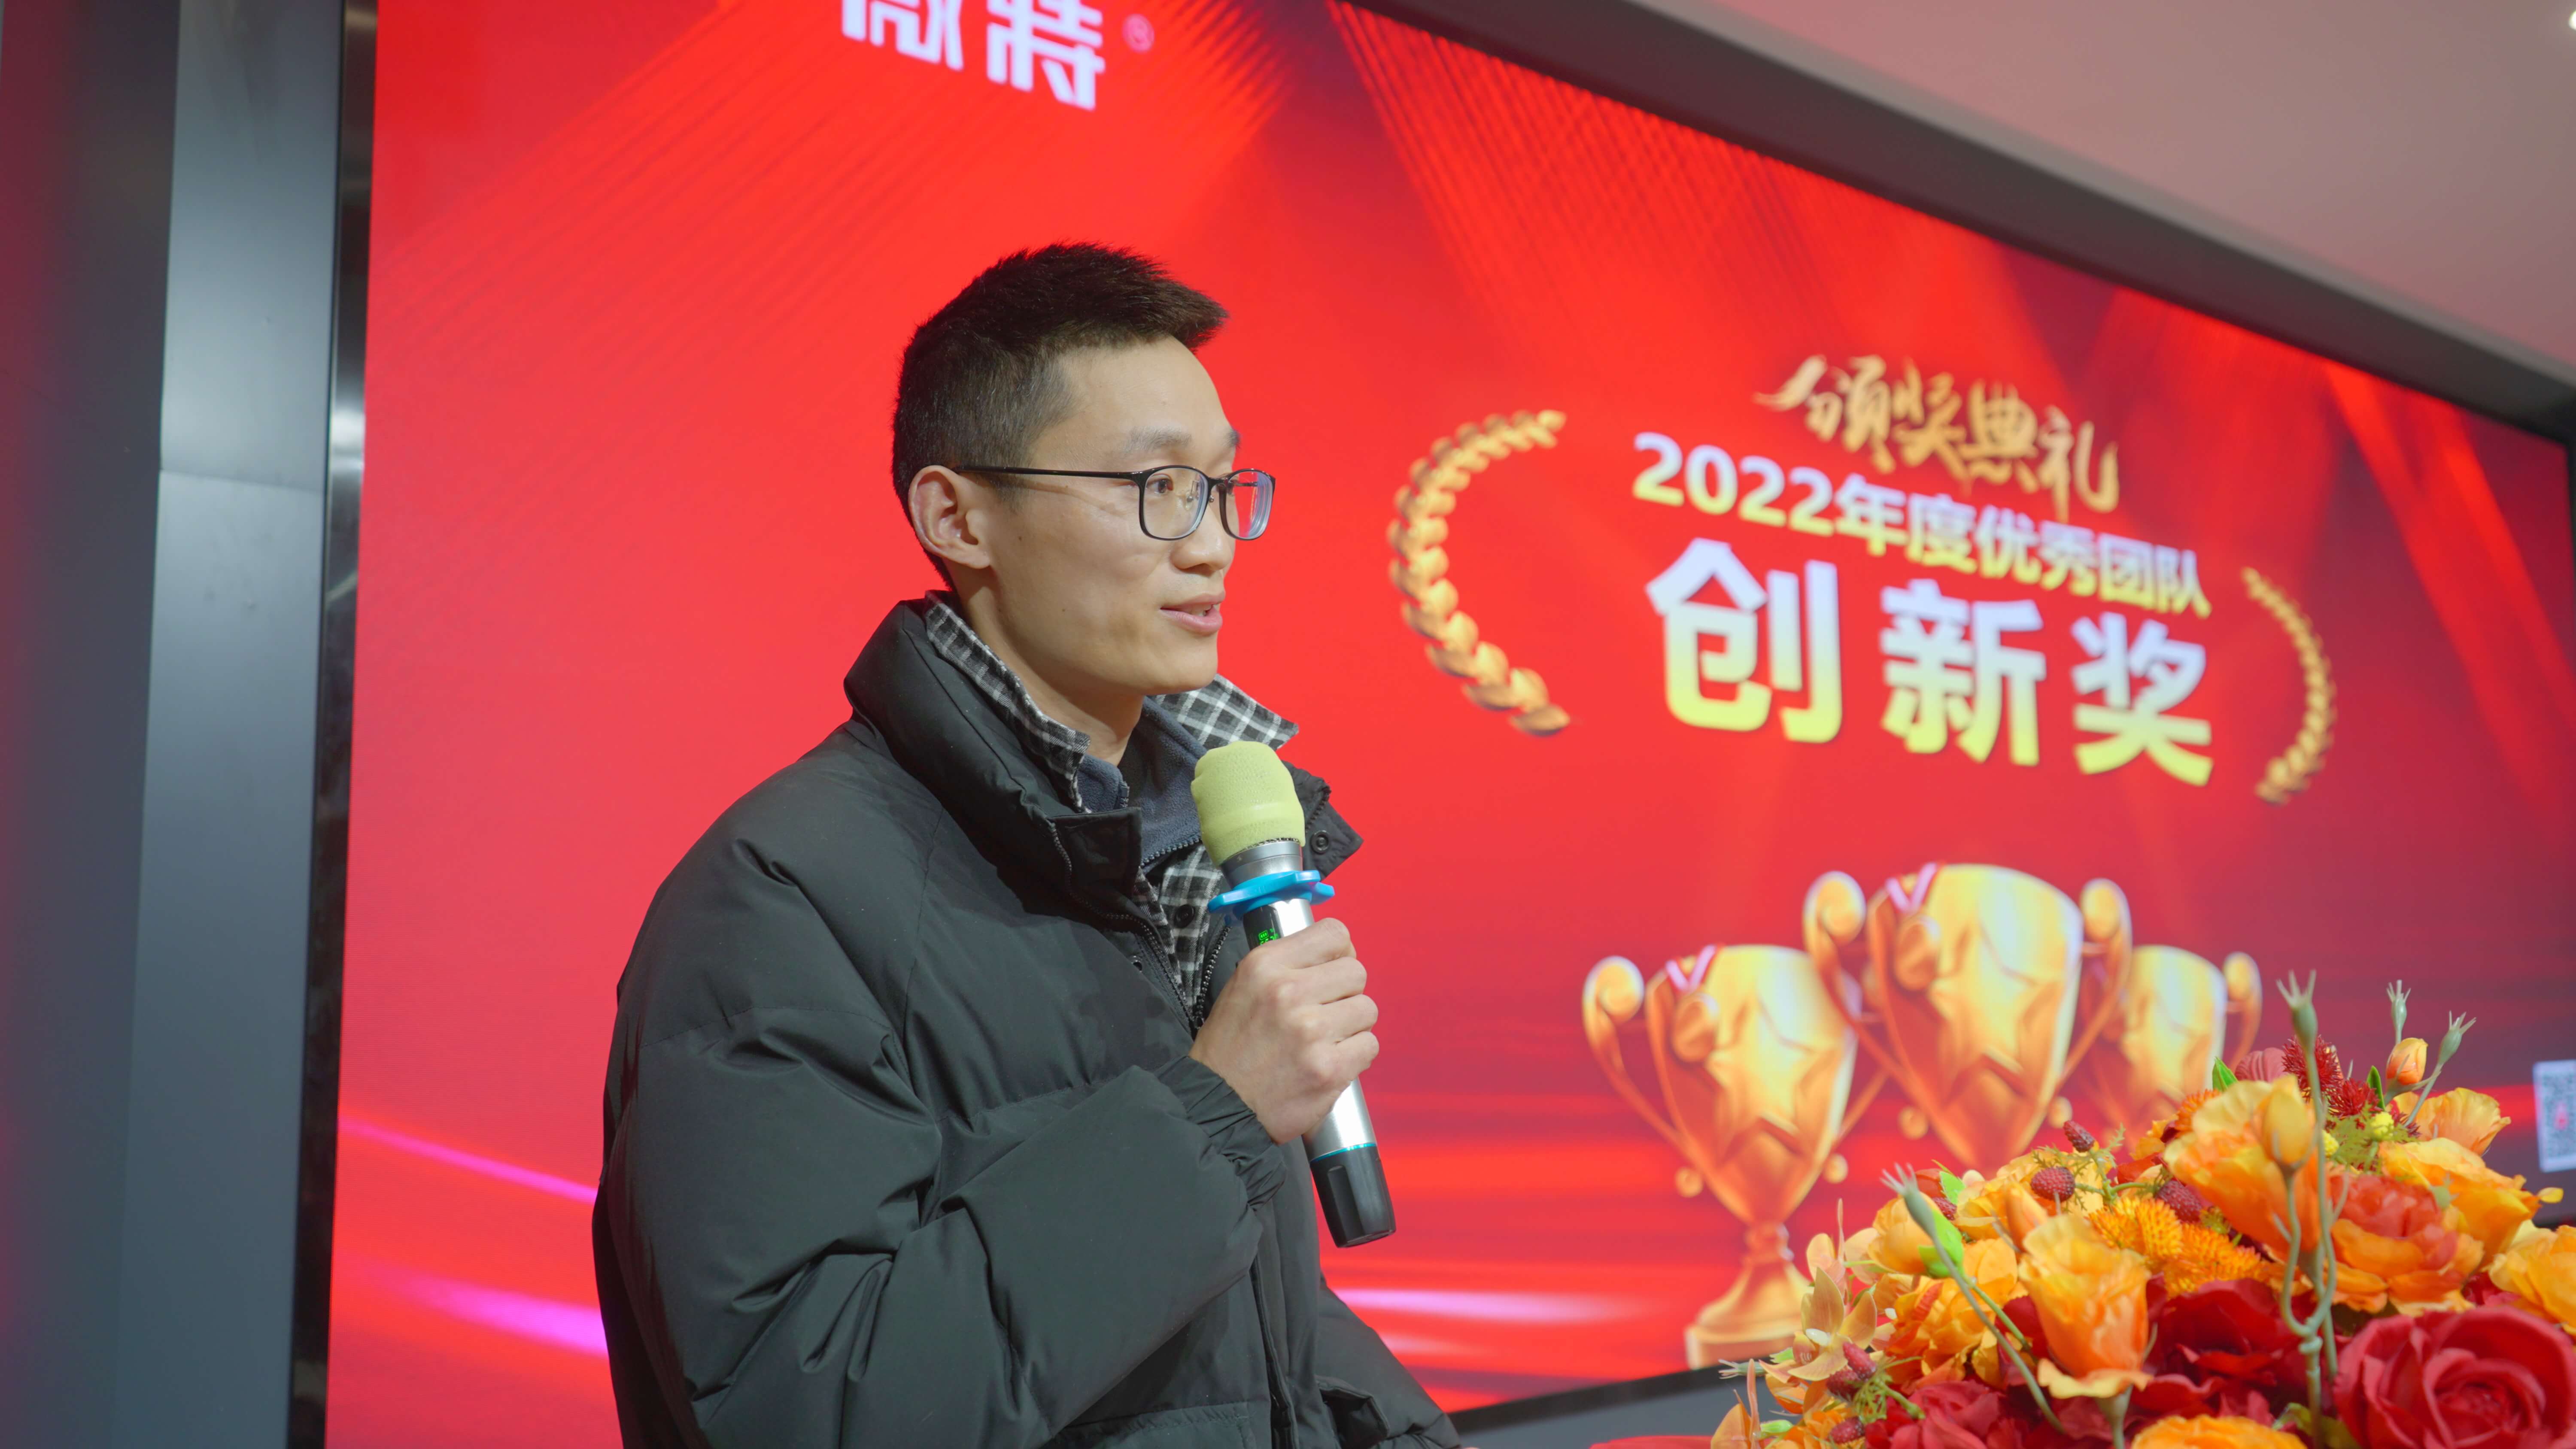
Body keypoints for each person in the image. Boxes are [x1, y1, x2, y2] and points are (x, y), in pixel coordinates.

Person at [592, 243, 1461, 1449]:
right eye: (1157, 486)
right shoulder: (783, 894)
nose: (1212, 544)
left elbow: (1249, 1336)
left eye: (1223, 487)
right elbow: (799, 1401)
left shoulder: (1192, 855)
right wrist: (1213, 1115)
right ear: (957, 516)